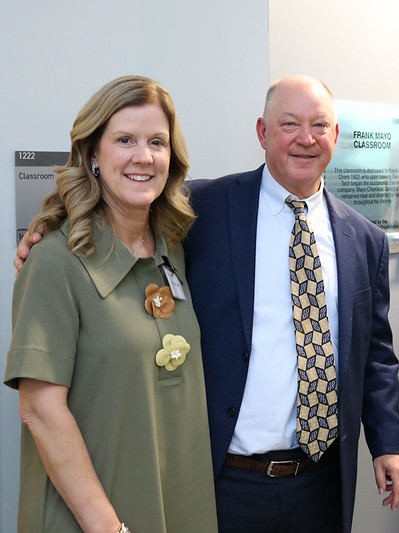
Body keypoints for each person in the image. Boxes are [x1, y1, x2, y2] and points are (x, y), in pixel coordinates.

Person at [15, 75, 399, 533]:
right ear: (263, 133)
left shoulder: (365, 239)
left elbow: (376, 353)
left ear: (336, 136)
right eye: (289, 124)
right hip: (223, 482)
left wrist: (389, 441)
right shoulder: (202, 209)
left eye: (319, 125)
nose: (305, 139)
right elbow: (123, 201)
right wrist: (49, 228)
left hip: (320, 481)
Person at [4, 75, 217, 532]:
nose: (143, 156)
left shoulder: (173, 249)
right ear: (93, 154)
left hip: (174, 504)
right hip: (93, 519)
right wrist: (110, 528)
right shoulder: (54, 261)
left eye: (156, 142)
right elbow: (39, 410)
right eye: (125, 140)